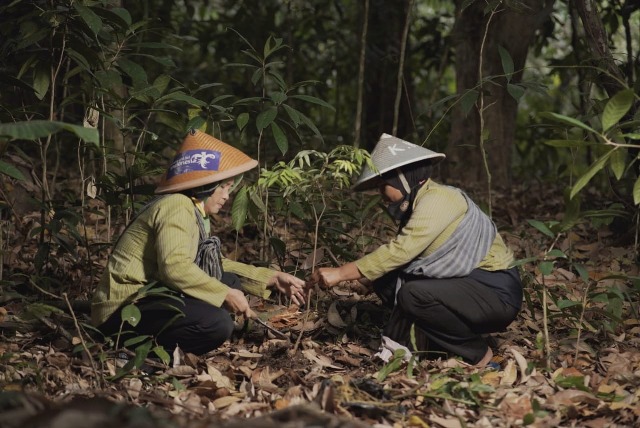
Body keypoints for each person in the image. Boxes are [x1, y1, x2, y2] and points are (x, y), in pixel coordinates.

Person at [311, 133, 522, 367]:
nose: (381, 194)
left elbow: (401, 250)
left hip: (495, 291)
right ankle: (433, 343)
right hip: (470, 287)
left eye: (384, 185)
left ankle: (478, 354)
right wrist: (368, 278)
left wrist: (341, 273)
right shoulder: (421, 200)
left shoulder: (439, 199)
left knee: (413, 295)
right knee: (387, 281)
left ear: (403, 179)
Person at [92, 129, 306, 355]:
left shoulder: (194, 211)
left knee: (228, 280)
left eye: (229, 188)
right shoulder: (177, 206)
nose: (227, 195)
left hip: (151, 298)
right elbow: (174, 267)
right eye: (222, 187)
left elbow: (215, 264)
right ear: (205, 185)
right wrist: (223, 294)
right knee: (217, 324)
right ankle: (140, 358)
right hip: (123, 313)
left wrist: (270, 278)